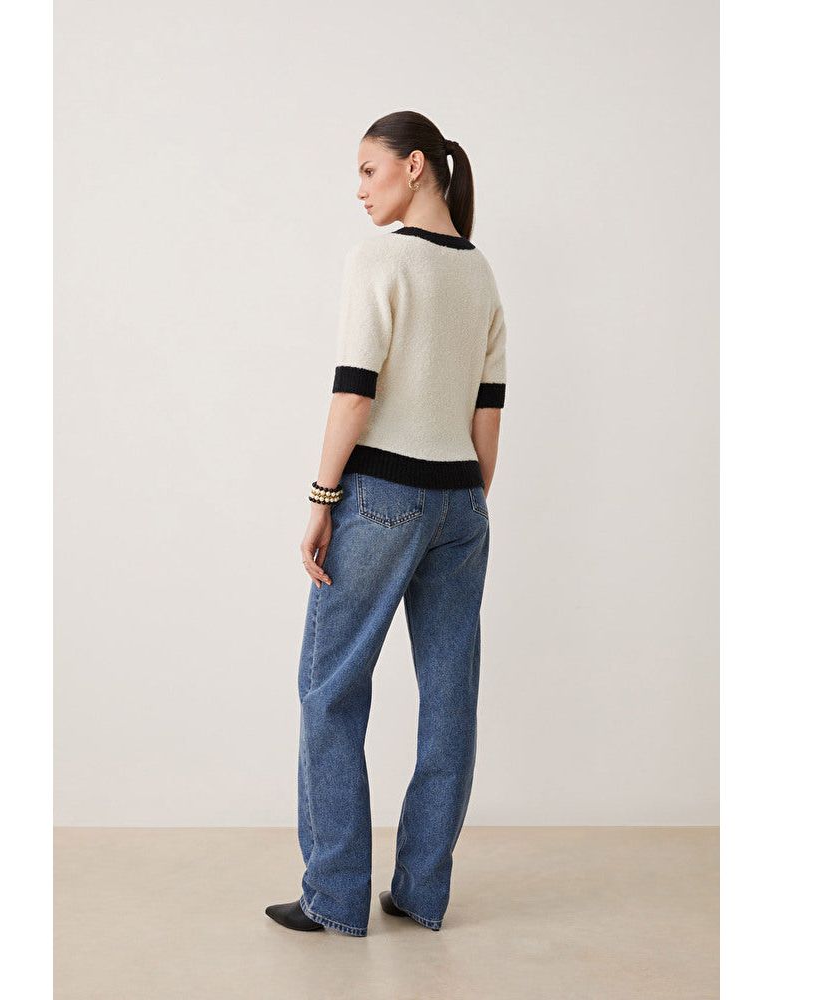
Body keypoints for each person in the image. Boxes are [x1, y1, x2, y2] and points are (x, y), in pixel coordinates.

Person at [265, 110, 507, 937]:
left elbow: (354, 396)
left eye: (369, 170)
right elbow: (487, 416)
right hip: (462, 502)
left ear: (414, 166)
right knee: (449, 699)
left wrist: (321, 499)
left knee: (331, 689)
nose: (360, 190)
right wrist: (463, 506)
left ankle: (335, 894)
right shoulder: (480, 273)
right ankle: (421, 892)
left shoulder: (379, 260)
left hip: (380, 497)